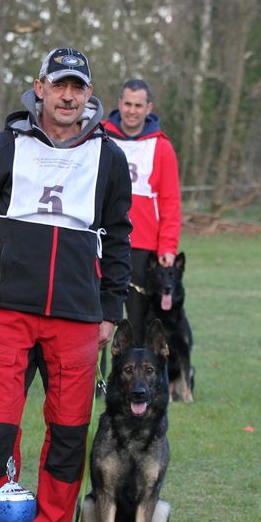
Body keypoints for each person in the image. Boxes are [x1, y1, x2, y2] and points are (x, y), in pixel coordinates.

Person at [0, 47, 132, 522]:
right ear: (39, 87)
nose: (68, 96)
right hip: (7, 310)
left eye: (78, 87)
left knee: (69, 432)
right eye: (59, 85)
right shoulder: (0, 148)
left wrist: (111, 308)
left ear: (88, 94)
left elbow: (120, 238)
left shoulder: (110, 157)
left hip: (77, 317)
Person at [101, 78, 181, 343]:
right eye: (128, 104)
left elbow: (170, 201)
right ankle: (92, 380)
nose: (132, 110)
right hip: (101, 239)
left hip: (142, 246)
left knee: (136, 323)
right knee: (94, 316)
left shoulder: (162, 147)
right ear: (119, 104)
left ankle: (131, 382)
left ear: (149, 108)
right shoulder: (99, 136)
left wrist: (167, 246)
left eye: (138, 105)